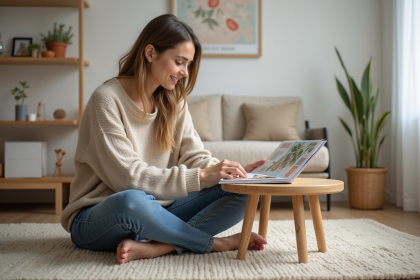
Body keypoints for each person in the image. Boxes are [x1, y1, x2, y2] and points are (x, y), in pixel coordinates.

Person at [60, 14, 267, 264]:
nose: (185, 72)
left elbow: (194, 156)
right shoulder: (106, 99)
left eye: (188, 64)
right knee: (133, 200)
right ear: (150, 53)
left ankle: (160, 246)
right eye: (179, 62)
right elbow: (128, 178)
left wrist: (229, 173)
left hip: (158, 211)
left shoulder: (174, 101)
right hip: (100, 216)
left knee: (244, 190)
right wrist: (202, 176)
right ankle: (211, 244)